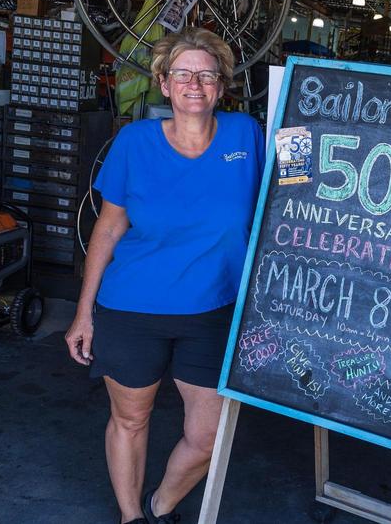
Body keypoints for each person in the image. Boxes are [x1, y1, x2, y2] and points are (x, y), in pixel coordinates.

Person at [64, 27, 263, 524]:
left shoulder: (247, 136)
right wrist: (83, 311)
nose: (195, 83)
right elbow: (108, 230)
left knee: (209, 436)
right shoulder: (134, 142)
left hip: (215, 310)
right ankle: (131, 518)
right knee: (131, 419)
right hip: (132, 308)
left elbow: (292, 196)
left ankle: (160, 506)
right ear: (164, 83)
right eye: (182, 74)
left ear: (221, 85)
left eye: (206, 74)